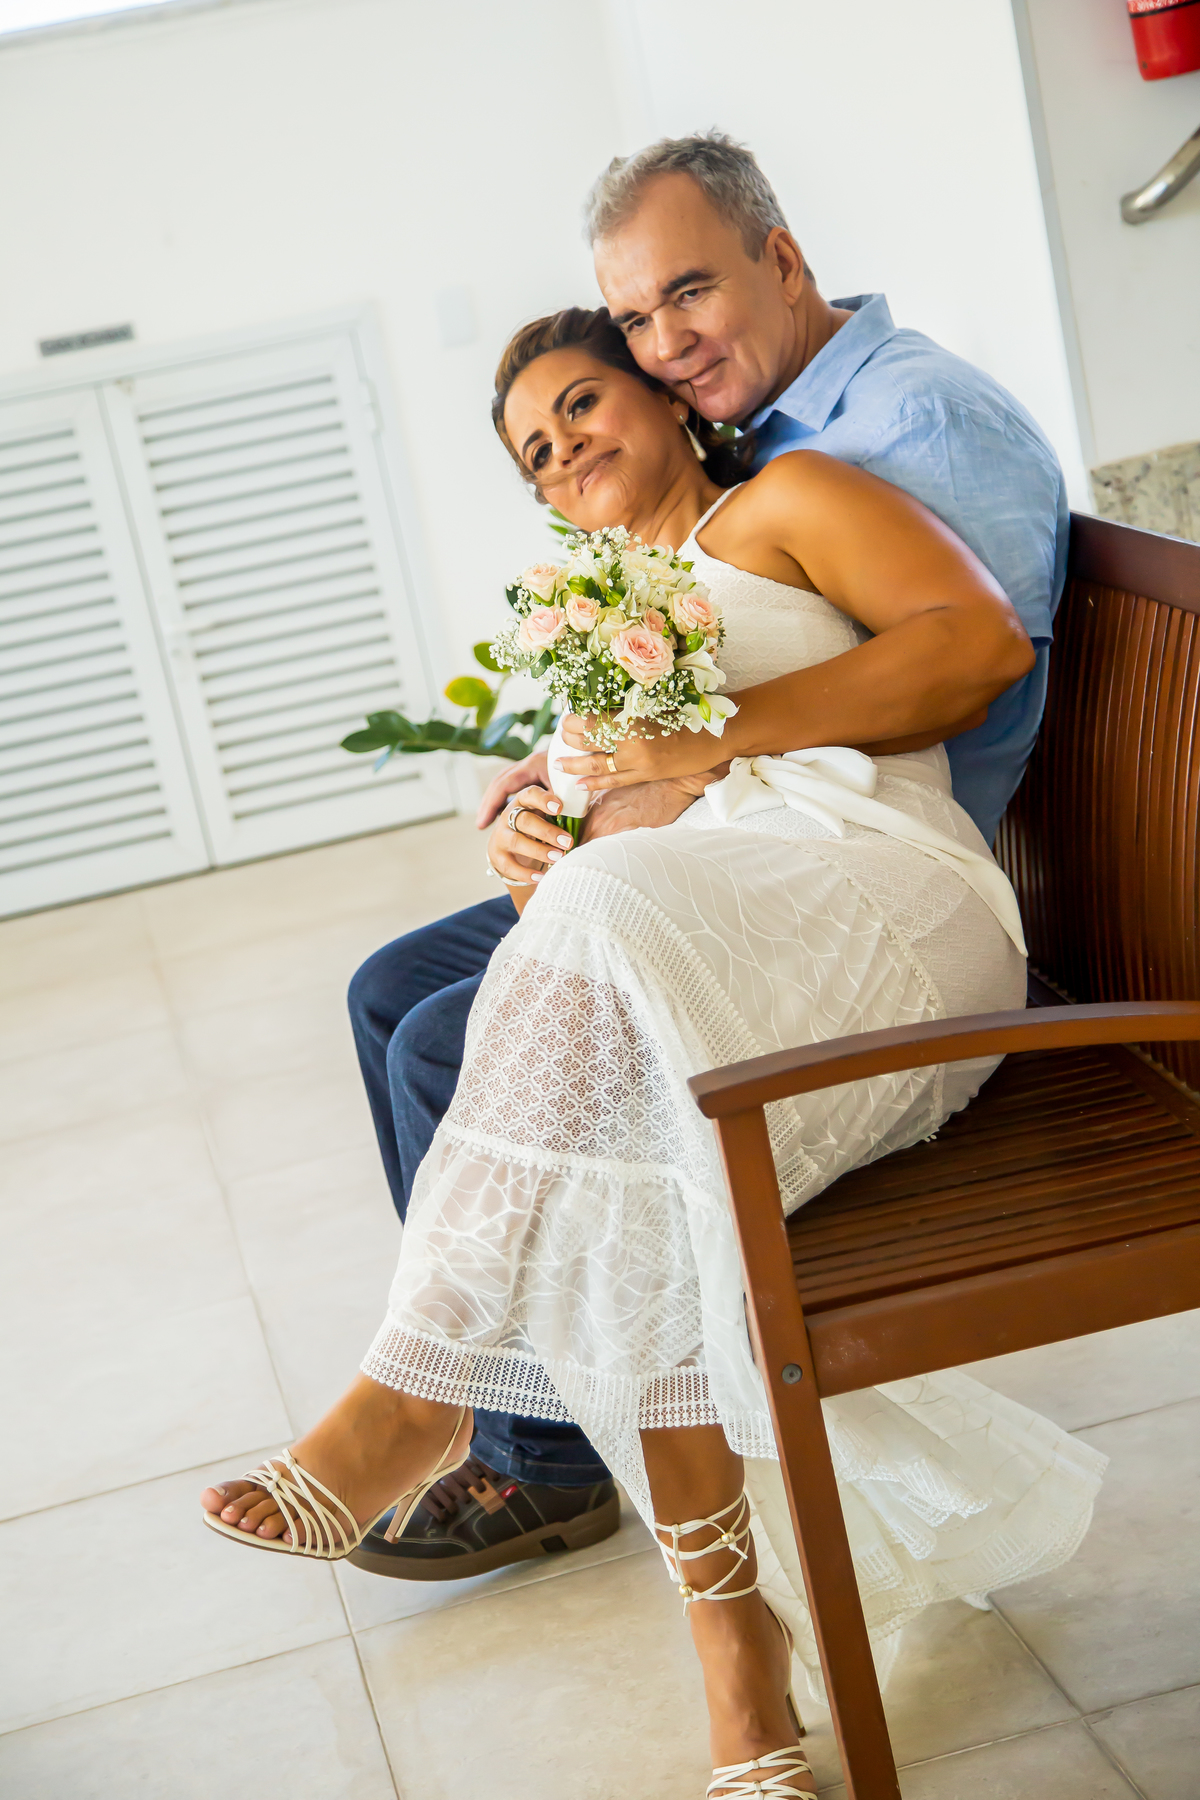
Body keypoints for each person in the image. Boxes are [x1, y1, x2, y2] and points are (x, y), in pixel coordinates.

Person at [203, 307, 1105, 1800]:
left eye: (582, 406)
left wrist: (700, 749)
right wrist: (534, 844)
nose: (568, 454)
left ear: (669, 400)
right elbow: (590, 859)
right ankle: (735, 1655)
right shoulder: (602, 603)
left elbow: (975, 648)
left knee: (601, 984)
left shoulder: (785, 505)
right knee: (630, 1169)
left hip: (882, 894)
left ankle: (418, 1393)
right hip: (711, 939)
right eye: (539, 456)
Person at [345, 130, 1070, 1583]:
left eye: (688, 301)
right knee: (393, 992)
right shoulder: (751, 450)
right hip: (739, 830)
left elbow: (962, 690)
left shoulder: (898, 429)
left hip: (861, 870)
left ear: (783, 262)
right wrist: (564, 788)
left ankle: (536, 1447)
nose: (670, 347)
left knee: (448, 1039)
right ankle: (534, 1426)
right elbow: (732, 646)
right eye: (637, 322)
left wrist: (682, 771)